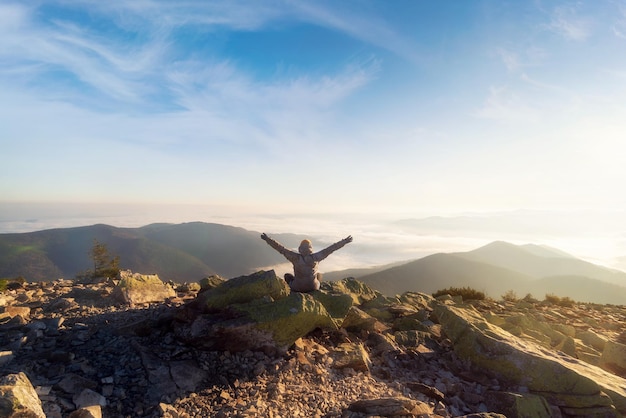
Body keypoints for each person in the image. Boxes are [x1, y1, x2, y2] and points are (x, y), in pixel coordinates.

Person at [261, 233, 353, 292]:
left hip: (297, 287)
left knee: (287, 276)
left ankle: (291, 291)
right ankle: (314, 288)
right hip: (313, 287)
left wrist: (267, 239)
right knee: (319, 275)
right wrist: (345, 241)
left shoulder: (294, 257)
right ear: (311, 248)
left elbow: (280, 248)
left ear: (300, 248)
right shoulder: (316, 257)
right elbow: (332, 248)